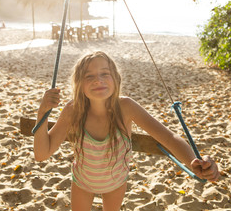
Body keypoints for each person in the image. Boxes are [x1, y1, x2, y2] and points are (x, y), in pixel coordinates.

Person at [34, 51, 220, 211]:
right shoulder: (73, 110)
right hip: (82, 182)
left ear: (116, 78)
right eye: (89, 76)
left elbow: (169, 138)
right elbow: (42, 154)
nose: (98, 80)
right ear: (79, 84)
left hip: (116, 183)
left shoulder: (126, 107)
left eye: (104, 73)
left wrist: (193, 161)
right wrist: (42, 113)